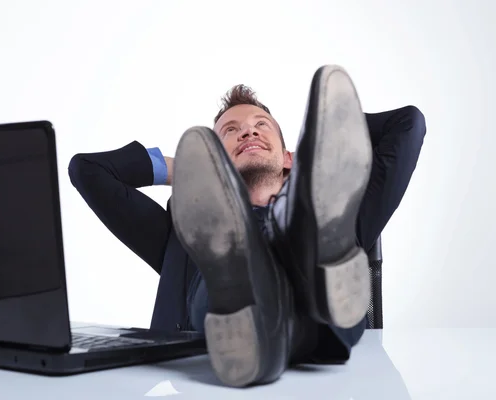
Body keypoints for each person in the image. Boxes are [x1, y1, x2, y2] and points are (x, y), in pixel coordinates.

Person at [68, 65, 426, 388]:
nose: (248, 133)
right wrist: (191, 171)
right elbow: (87, 171)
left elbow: (408, 124)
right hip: (238, 352)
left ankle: (301, 267)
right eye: (231, 131)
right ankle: (247, 283)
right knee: (228, 269)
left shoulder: (338, 211)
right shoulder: (182, 234)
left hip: (313, 339)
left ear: (288, 157)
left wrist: (313, 146)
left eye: (261, 127)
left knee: (314, 252)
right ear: (216, 160)